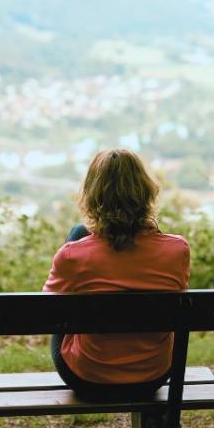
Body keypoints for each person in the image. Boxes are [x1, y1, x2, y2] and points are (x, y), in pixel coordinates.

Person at [43, 148, 191, 400]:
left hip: (87, 377)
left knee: (78, 233)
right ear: (146, 191)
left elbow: (47, 312)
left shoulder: (72, 255)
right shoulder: (177, 250)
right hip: (152, 375)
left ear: (91, 194)